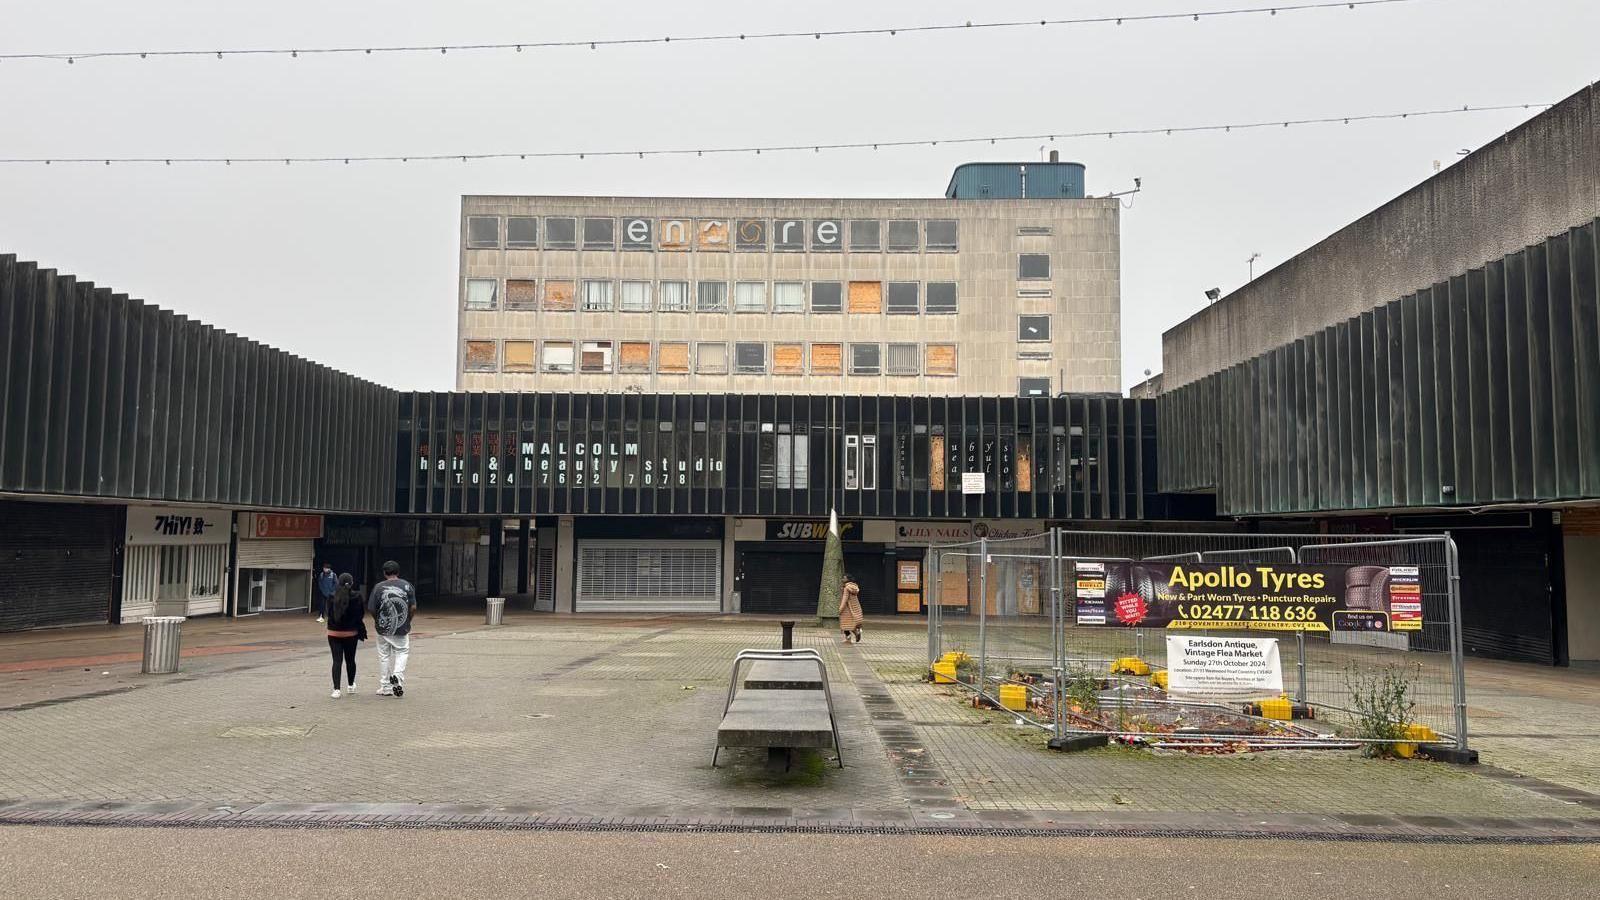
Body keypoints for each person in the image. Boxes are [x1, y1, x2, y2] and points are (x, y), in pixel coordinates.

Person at [367, 560, 417, 697]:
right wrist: (408, 620)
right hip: (402, 628)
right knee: (401, 652)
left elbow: (371, 608)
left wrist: (378, 620)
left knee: (384, 656)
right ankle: (397, 676)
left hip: (383, 630)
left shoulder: (378, 587)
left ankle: (385, 687)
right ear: (398, 572)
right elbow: (413, 607)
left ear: (384, 573)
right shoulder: (407, 585)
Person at [325, 573, 366, 698]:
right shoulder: (357, 597)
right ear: (352, 583)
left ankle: (336, 689)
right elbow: (361, 614)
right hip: (350, 633)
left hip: (334, 633)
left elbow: (329, 614)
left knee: (337, 661)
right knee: (350, 660)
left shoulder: (331, 597)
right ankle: (350, 685)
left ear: (339, 583)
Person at [838, 574, 863, 644]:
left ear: (848, 580)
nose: (842, 579)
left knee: (845, 624)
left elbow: (844, 599)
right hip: (854, 608)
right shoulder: (854, 587)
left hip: (846, 609)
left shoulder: (846, 588)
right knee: (850, 623)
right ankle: (856, 632)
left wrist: (840, 609)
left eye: (844, 578)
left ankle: (849, 638)